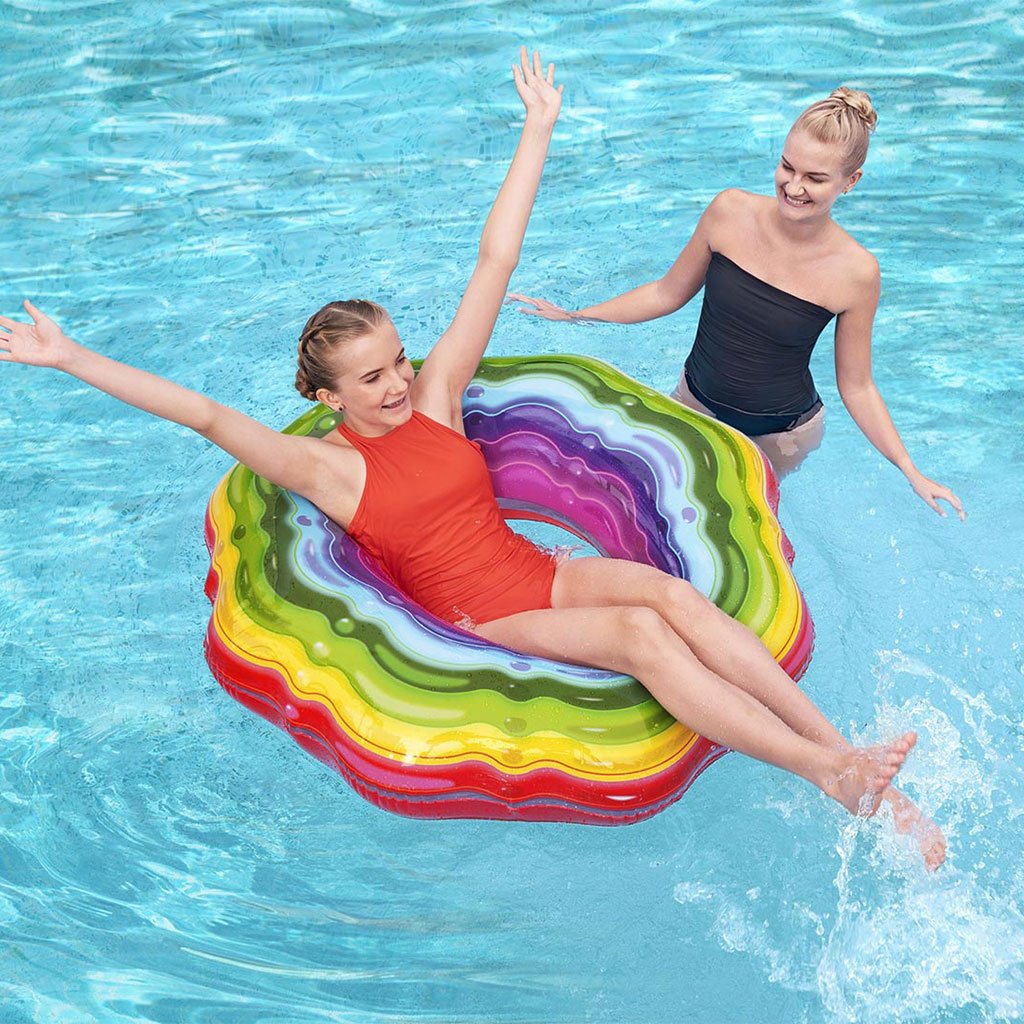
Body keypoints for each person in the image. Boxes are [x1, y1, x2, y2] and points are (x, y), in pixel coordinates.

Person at [0, 51, 942, 868]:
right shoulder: (328, 469)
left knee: (674, 597)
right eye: (372, 378)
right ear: (329, 399)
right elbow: (205, 415)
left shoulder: (438, 398)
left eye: (398, 360)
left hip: (533, 569)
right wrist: (71, 358)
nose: (398, 382)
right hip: (478, 613)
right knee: (641, 636)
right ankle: (826, 774)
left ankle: (848, 756)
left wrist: (538, 129)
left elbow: (494, 261)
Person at [511, 88, 966, 518]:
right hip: (694, 400)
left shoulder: (857, 272)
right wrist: (578, 316)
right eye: (787, 167)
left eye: (815, 178)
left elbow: (858, 386)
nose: (794, 186)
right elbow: (667, 293)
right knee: (647, 502)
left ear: (850, 182)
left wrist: (910, 470)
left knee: (736, 521)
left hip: (780, 437)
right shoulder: (729, 212)